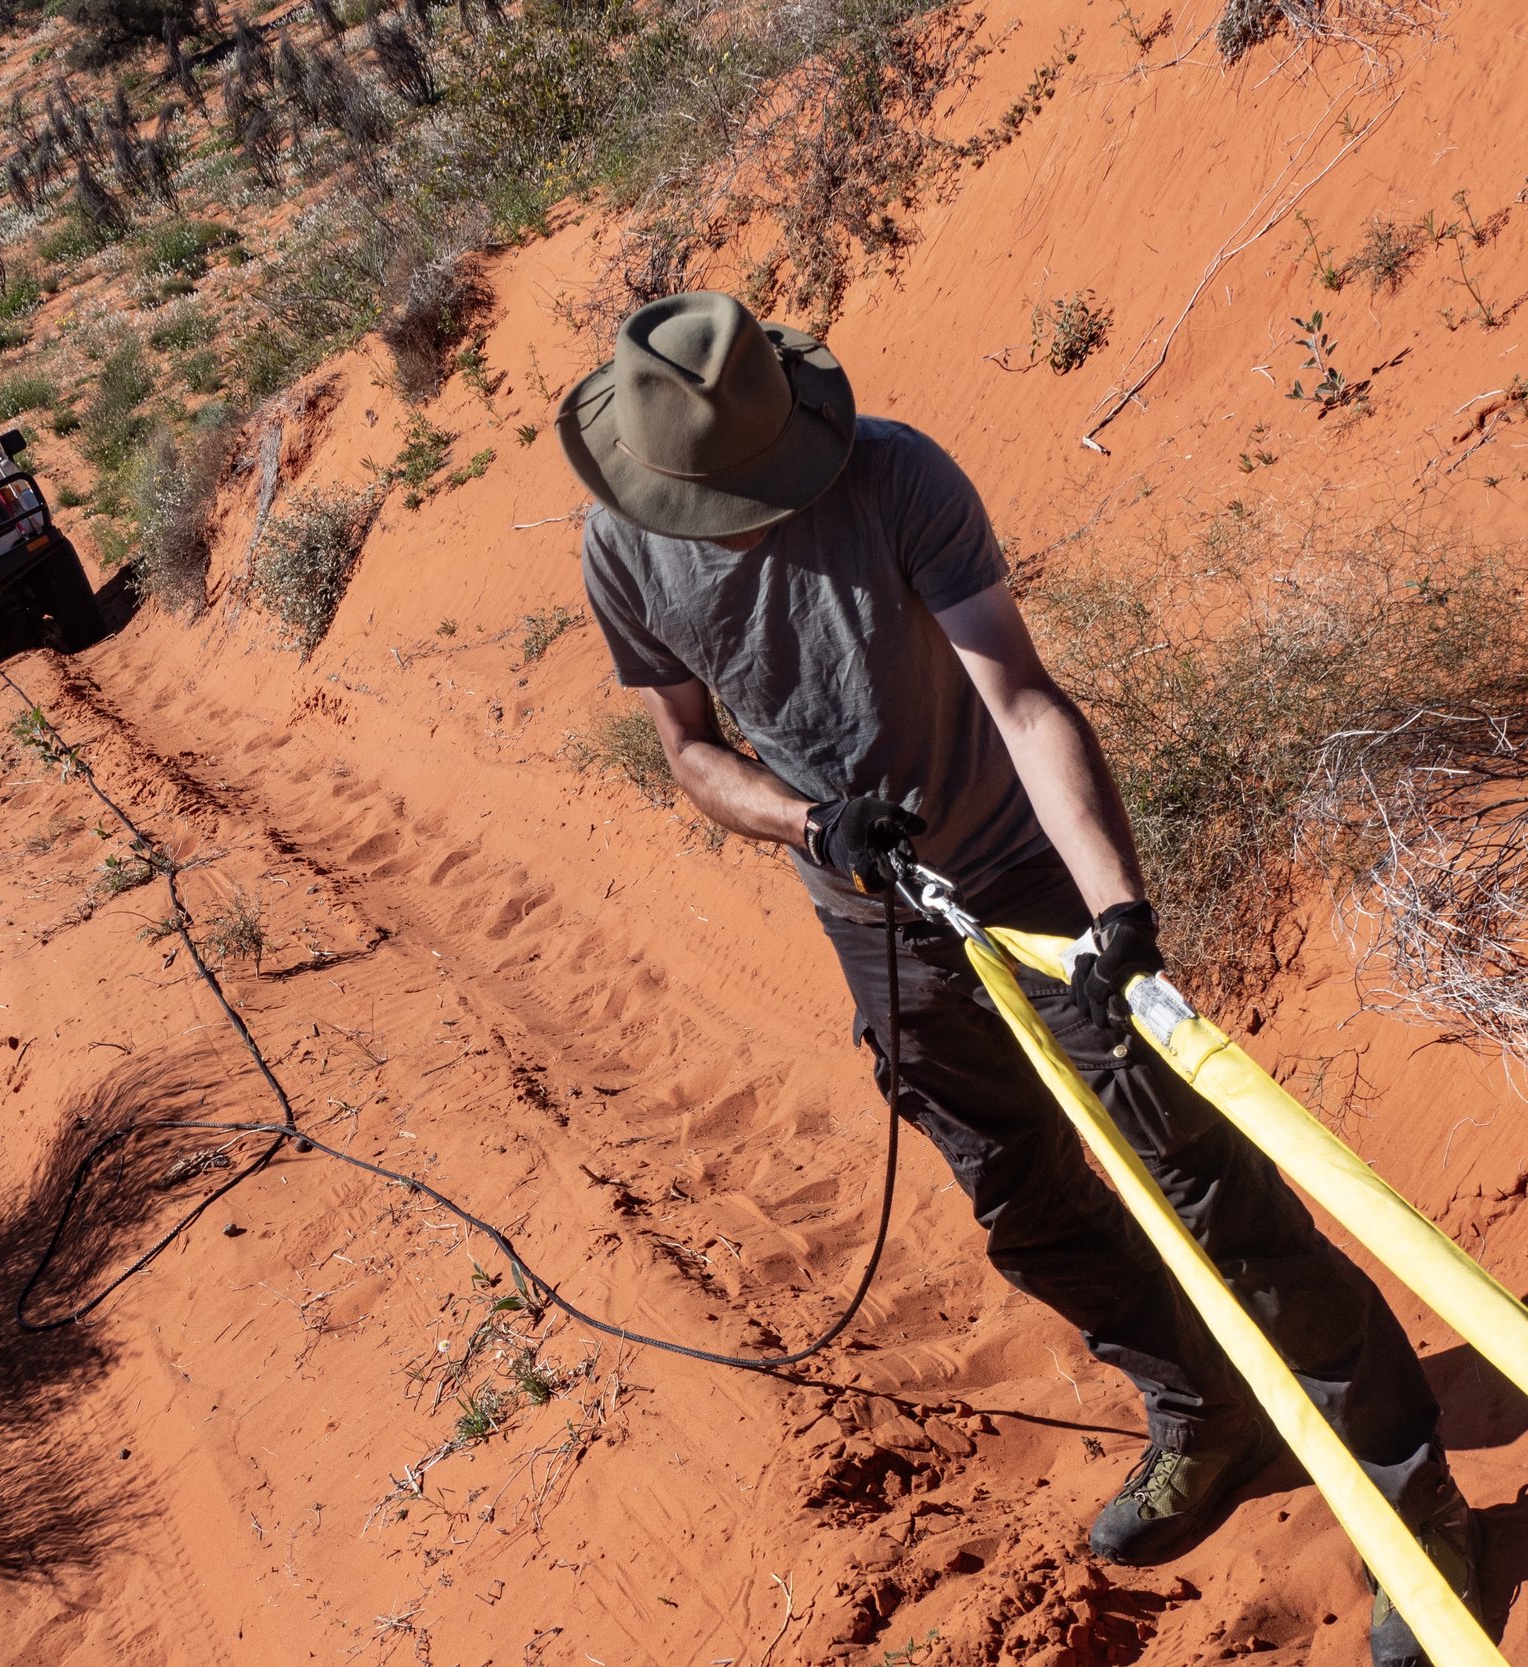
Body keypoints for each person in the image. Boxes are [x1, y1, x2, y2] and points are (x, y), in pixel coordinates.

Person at [555, 292, 1481, 1666]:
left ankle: (1421, 1517)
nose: (737, 521)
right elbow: (688, 753)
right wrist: (811, 826)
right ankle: (1205, 1416)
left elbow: (1024, 698)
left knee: (1211, 1193)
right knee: (1025, 1206)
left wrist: (1116, 914)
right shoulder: (620, 544)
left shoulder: (901, 478)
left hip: (1030, 884)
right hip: (873, 916)